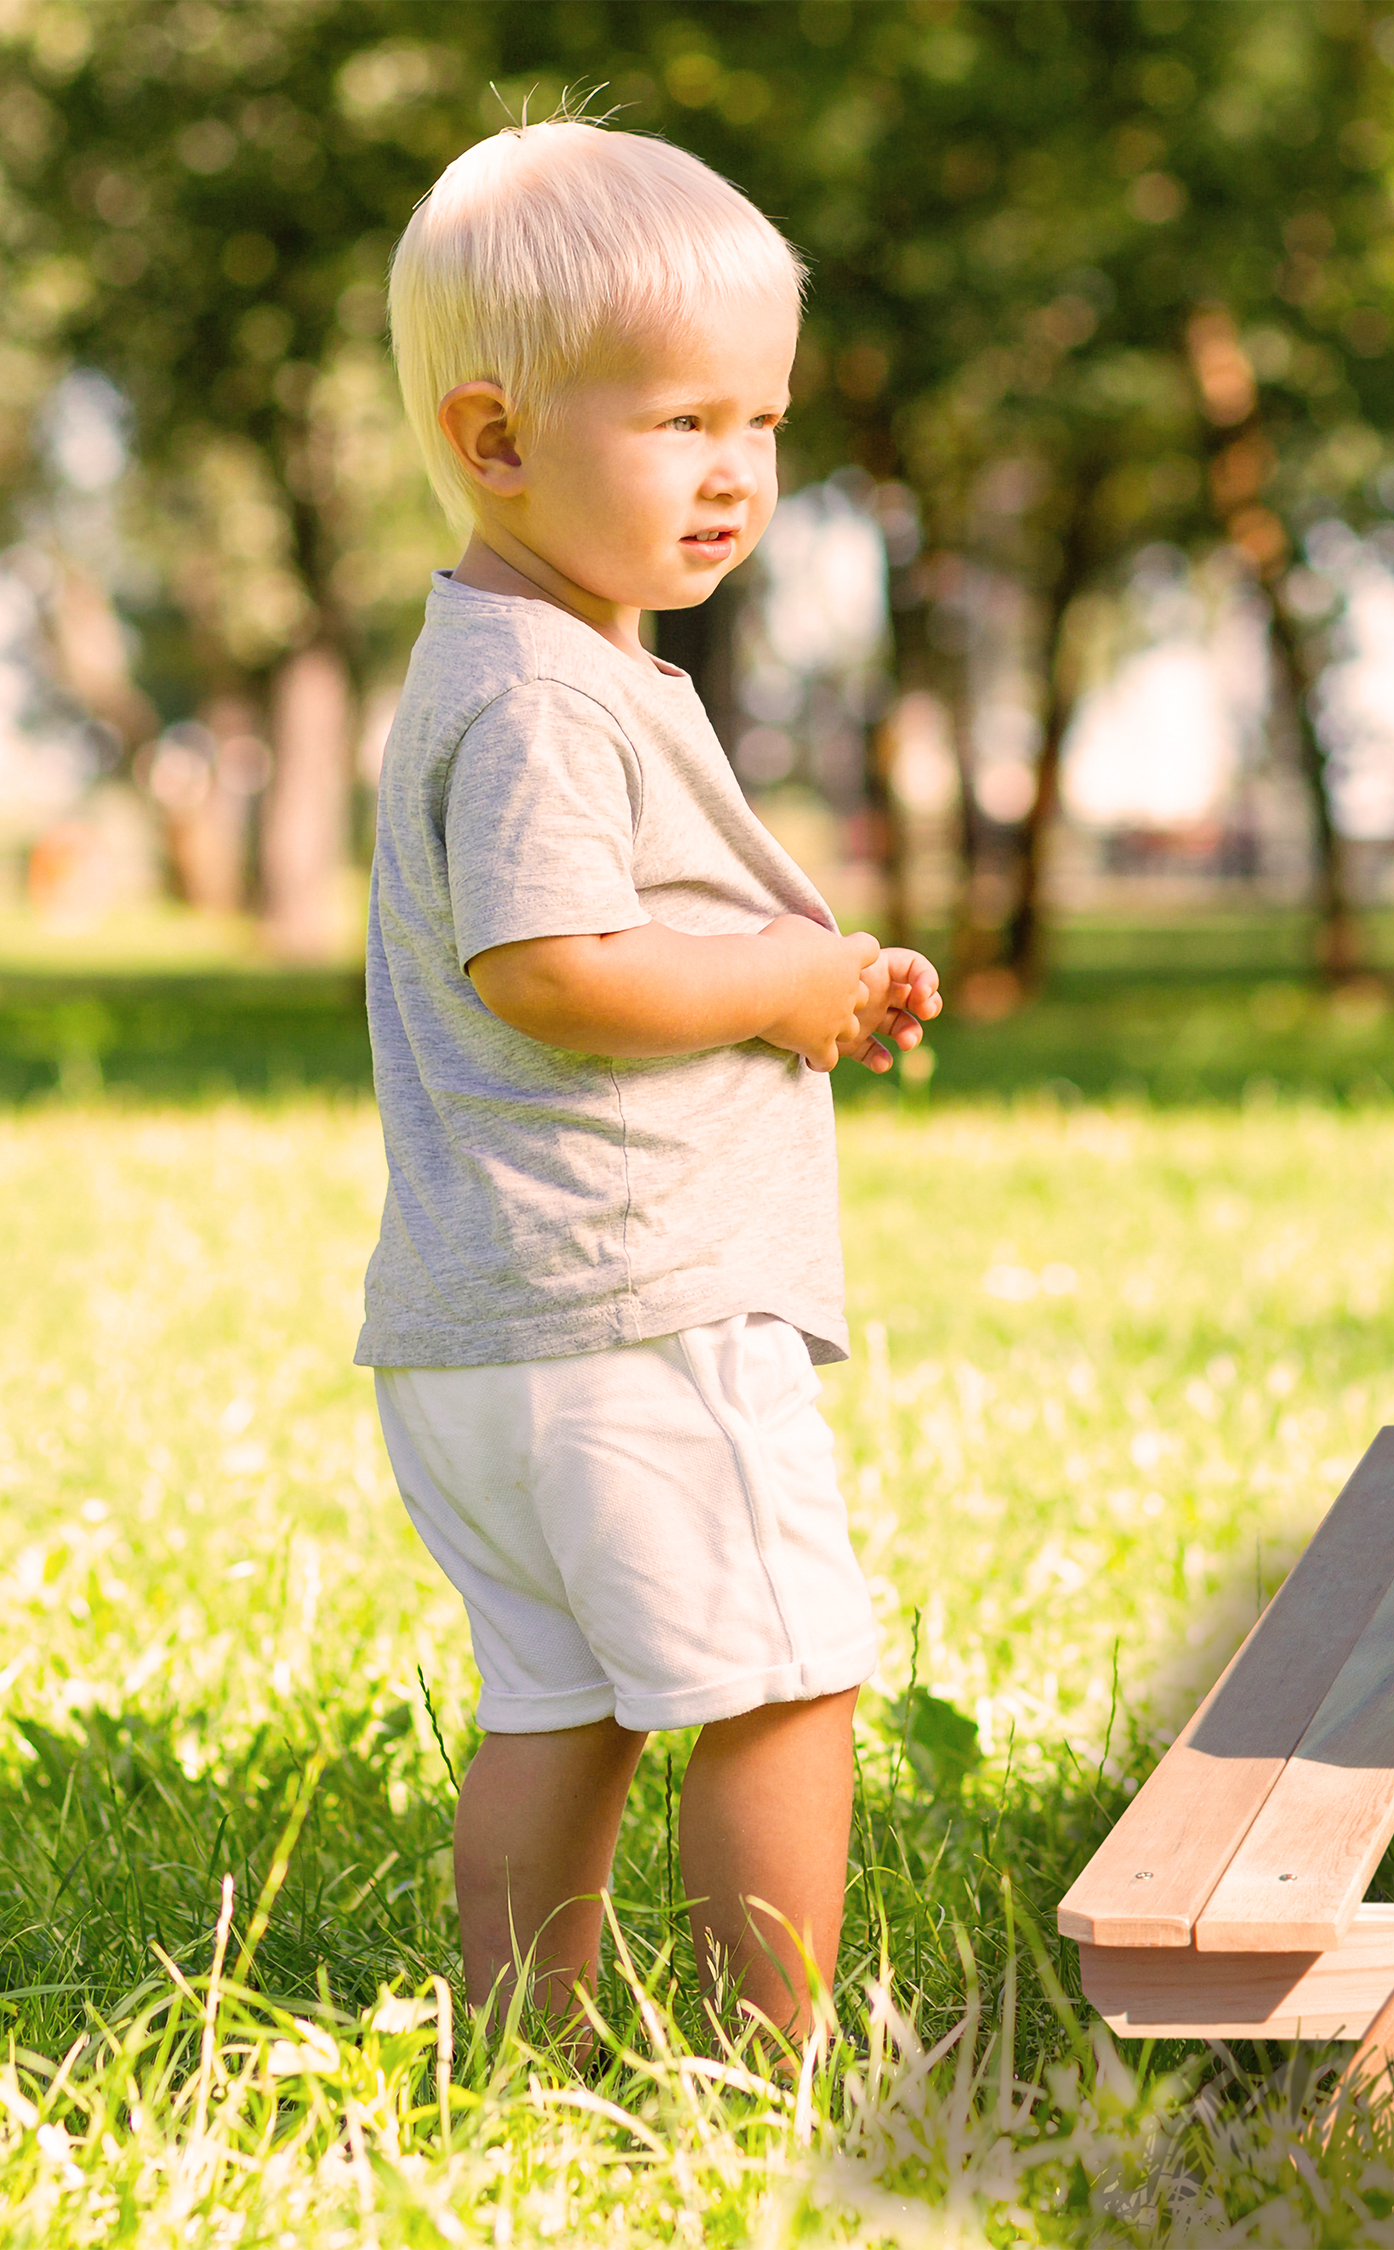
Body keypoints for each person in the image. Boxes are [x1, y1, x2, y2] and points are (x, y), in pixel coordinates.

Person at [358, 116, 937, 2049]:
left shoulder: (519, 659)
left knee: (562, 1697)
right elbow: (548, 968)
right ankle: (781, 2060)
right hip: (633, 1304)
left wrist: (819, 985)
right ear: (498, 437)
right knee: (785, 1679)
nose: (738, 475)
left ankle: (525, 2045)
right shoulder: (537, 693)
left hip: (491, 1327)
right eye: (682, 422)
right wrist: (781, 977)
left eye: (759, 423)